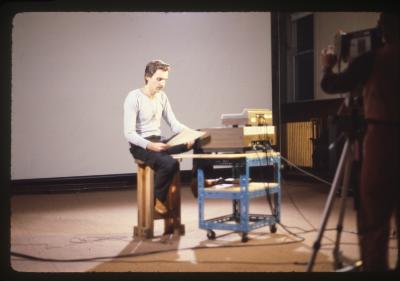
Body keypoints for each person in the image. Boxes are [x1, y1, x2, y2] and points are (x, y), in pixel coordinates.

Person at [320, 13, 399, 271]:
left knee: (374, 220)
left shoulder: (372, 60)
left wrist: (327, 66)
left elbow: (332, 85)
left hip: (382, 142)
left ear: (383, 30)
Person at [124, 59, 194, 215]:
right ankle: (157, 201)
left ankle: (196, 181)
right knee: (170, 164)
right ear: (147, 77)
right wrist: (150, 146)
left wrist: (190, 133)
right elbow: (129, 133)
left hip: (160, 141)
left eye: (165, 80)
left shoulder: (162, 97)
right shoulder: (133, 97)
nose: (162, 83)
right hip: (142, 146)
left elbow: (174, 124)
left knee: (199, 138)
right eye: (159, 79)